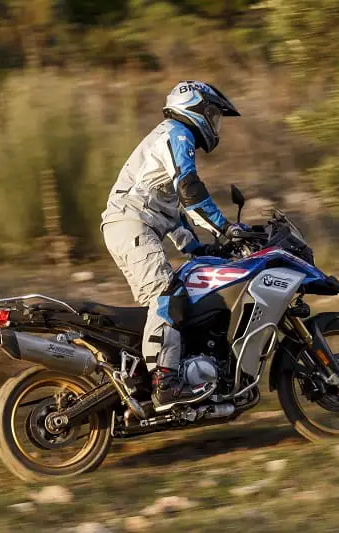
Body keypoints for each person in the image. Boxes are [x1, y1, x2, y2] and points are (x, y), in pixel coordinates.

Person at [100, 80, 243, 408]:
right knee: (166, 294)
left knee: (185, 289)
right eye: (212, 114)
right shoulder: (176, 134)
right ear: (195, 109)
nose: (215, 123)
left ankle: (175, 368)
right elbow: (189, 190)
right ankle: (165, 381)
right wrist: (225, 229)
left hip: (133, 224)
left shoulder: (169, 136)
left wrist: (201, 249)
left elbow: (171, 214)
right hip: (130, 224)